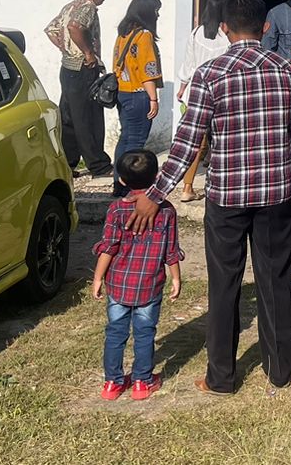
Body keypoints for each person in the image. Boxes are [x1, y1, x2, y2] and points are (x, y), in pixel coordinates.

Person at [129, 0, 291, 395]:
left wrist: (156, 193)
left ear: (224, 29)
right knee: (276, 279)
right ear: (265, 27)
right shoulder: (288, 72)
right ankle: (281, 368)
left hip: (227, 195)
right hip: (276, 192)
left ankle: (222, 376)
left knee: (224, 283)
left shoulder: (209, 74)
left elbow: (187, 143)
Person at [91, 150, 184, 401]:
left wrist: (98, 278)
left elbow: (108, 248)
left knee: (115, 333)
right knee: (145, 333)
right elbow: (171, 250)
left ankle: (112, 383)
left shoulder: (116, 210)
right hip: (149, 284)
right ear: (156, 177)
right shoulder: (166, 211)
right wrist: (176, 278)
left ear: (121, 180)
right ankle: (143, 382)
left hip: (118, 284)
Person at [45, 0, 112, 179]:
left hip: (67, 69)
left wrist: (66, 50)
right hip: (82, 69)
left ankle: (67, 163)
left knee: (69, 118)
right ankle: (98, 165)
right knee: (87, 118)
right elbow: (75, 27)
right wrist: (87, 53)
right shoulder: (87, 7)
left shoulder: (70, 6)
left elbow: (51, 30)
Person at [176, 0, 228, 202]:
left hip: (196, 92)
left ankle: (187, 187)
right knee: (221, 140)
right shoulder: (227, 37)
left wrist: (183, 87)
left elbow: (189, 63)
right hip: (220, 92)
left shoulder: (196, 33)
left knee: (196, 141)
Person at [112, 0, 164, 197]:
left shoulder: (123, 33)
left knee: (125, 138)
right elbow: (147, 70)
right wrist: (153, 98)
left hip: (123, 92)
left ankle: (119, 181)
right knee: (135, 143)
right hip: (139, 94)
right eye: (156, 10)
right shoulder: (144, 36)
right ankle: (131, 185)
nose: (158, 15)